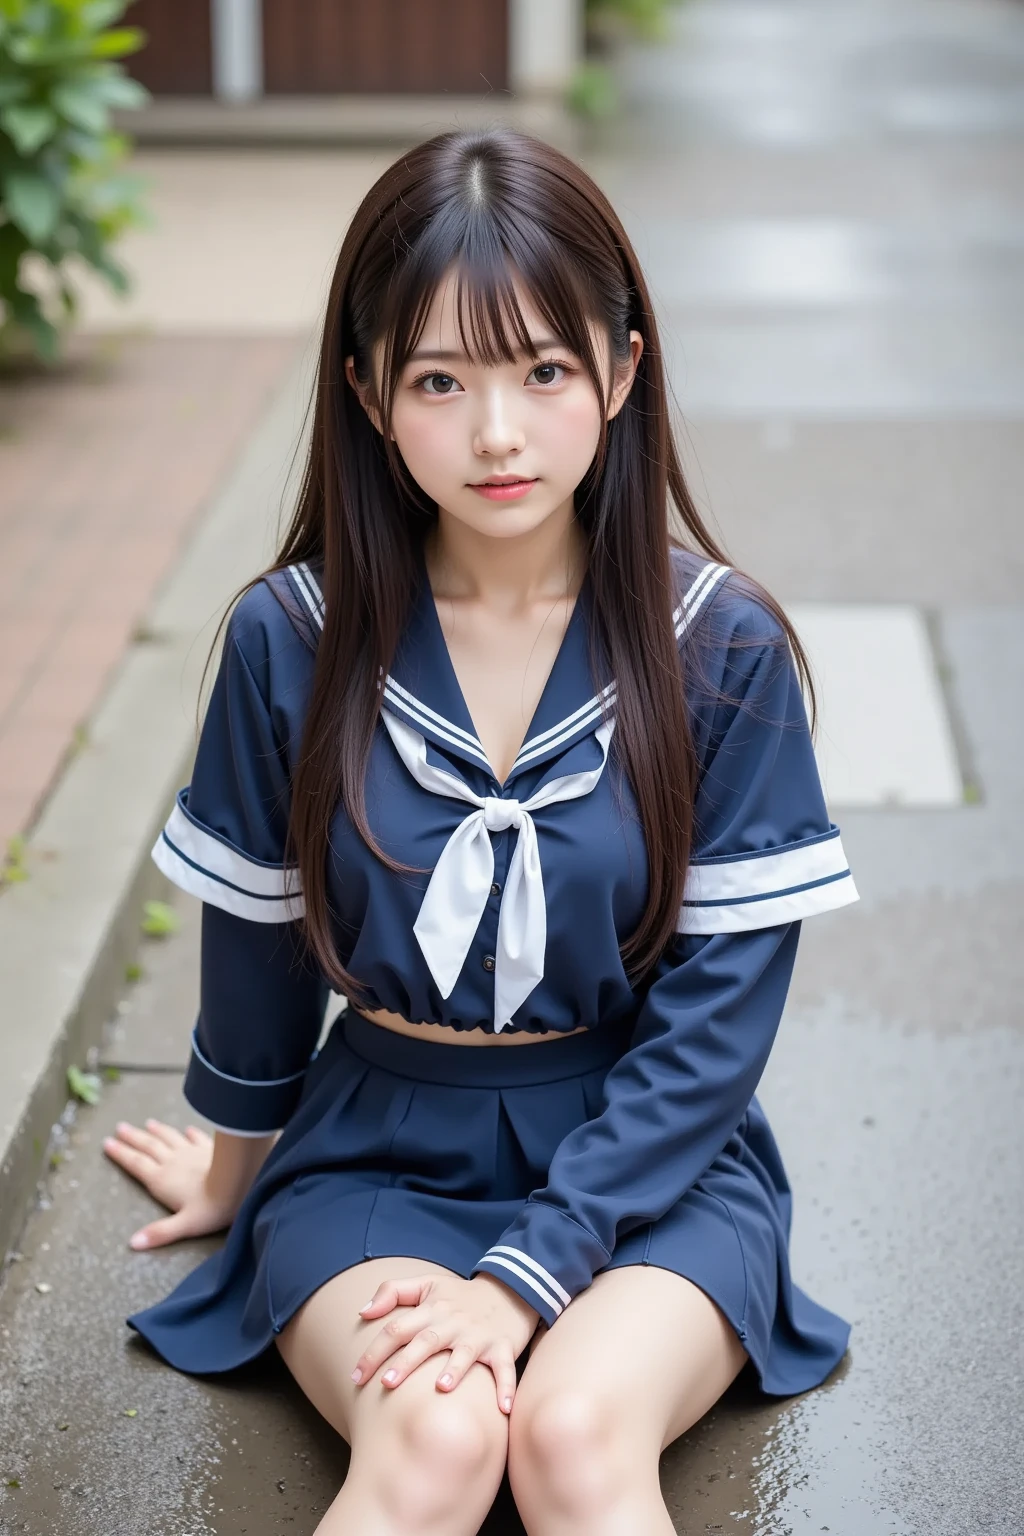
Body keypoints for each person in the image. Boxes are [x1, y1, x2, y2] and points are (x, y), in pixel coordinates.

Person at [103, 128, 858, 1535]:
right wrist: (235, 1158)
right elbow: (258, 947)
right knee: (442, 1443)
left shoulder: (720, 648)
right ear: (368, 394)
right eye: (440, 380)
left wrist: (529, 1274)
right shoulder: (295, 640)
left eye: (544, 371)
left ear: (623, 373)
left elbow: (715, 1029)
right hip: (381, 1148)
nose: (496, 433)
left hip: (652, 1163)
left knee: (569, 1438)